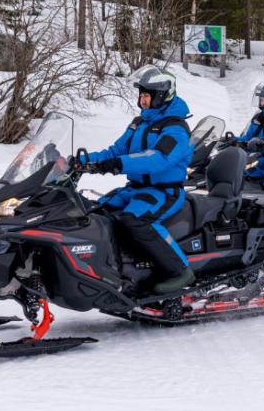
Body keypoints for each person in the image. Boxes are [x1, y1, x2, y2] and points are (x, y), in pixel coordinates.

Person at [73, 67, 195, 294]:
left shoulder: (177, 129)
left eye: (147, 96)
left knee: (135, 220)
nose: (143, 101)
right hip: (136, 188)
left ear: (161, 96)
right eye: (141, 96)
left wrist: (120, 164)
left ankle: (179, 270)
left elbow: (158, 159)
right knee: (99, 211)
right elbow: (115, 150)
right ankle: (119, 267)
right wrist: (82, 161)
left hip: (164, 192)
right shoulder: (139, 124)